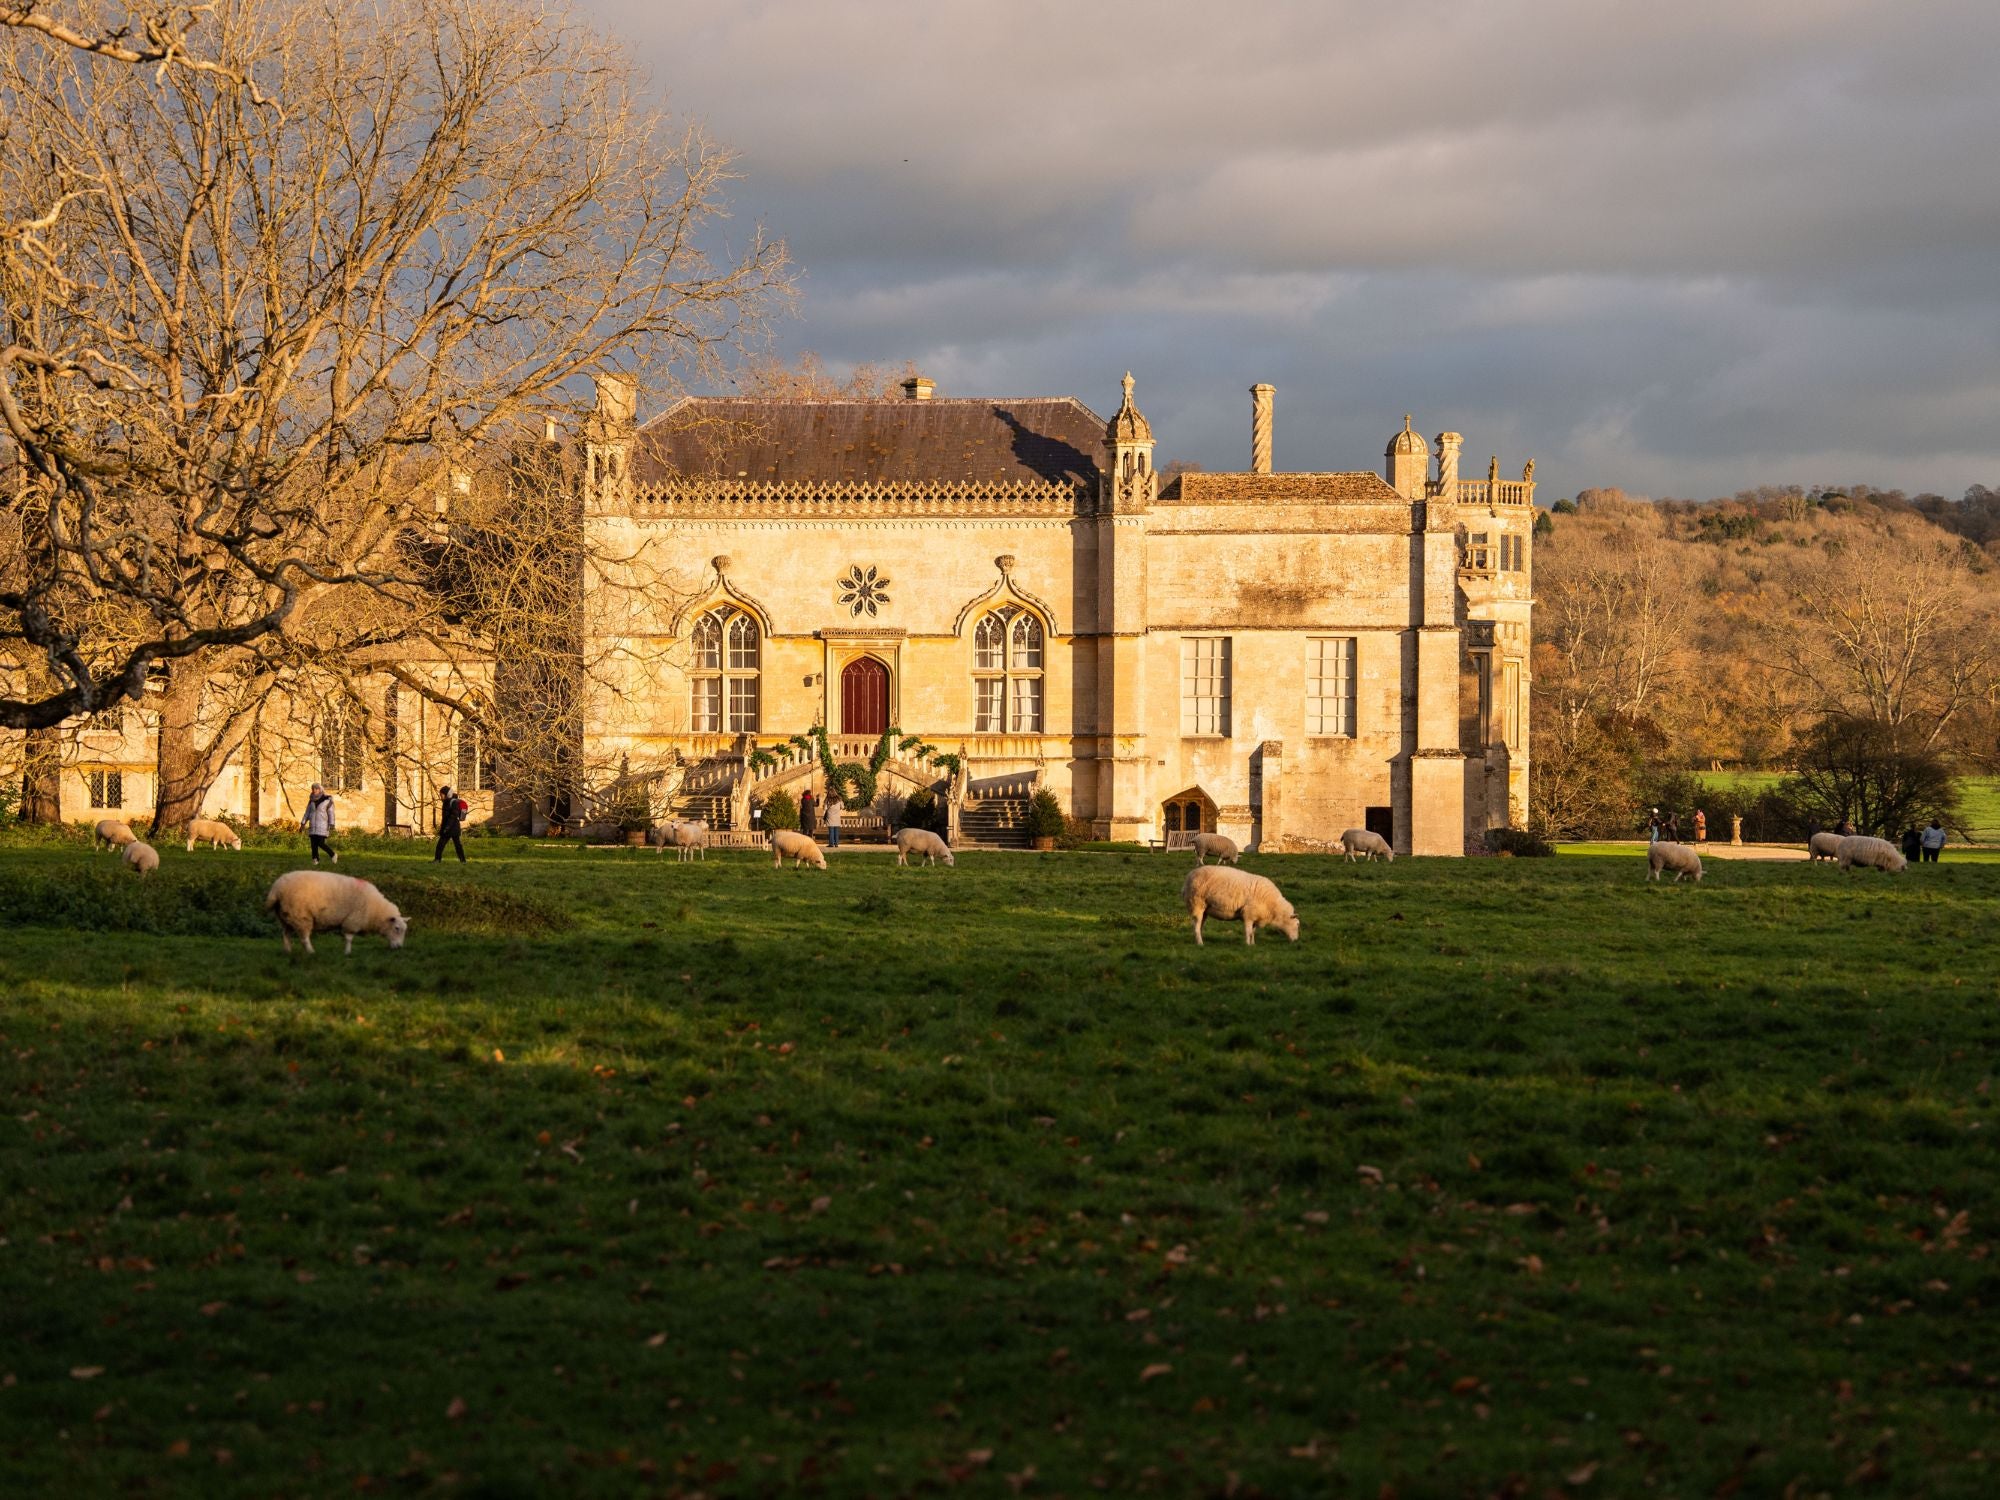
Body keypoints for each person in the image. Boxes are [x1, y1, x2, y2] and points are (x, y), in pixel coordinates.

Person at [302, 783, 338, 865]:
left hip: (322, 825)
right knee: (313, 844)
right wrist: (303, 822)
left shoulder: (327, 799)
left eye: (316, 789)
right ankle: (315, 859)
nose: (314, 790)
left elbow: (331, 813)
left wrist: (332, 824)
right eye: (313, 789)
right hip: (313, 825)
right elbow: (307, 812)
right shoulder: (311, 800)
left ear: (320, 789)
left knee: (320, 843)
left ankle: (333, 854)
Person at [435, 784, 468, 863]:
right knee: (443, 845)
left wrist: (446, 827)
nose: (441, 796)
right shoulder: (446, 802)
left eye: (441, 795)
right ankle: (437, 859)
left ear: (446, 794)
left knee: (455, 845)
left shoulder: (453, 802)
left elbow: (453, 816)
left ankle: (462, 861)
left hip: (452, 828)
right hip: (449, 827)